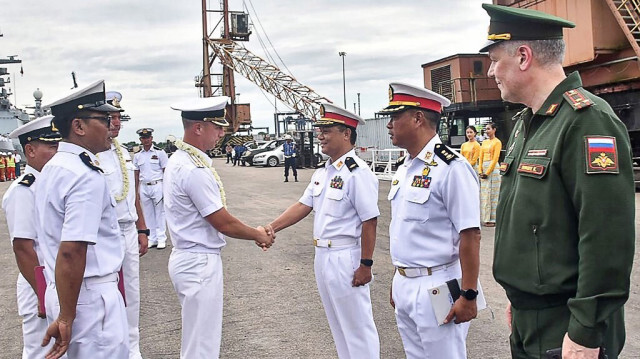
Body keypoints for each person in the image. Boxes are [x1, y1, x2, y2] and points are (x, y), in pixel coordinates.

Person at [481, 4, 635, 358]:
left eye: (494, 59)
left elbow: (607, 238)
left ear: (523, 56)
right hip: (530, 314)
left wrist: (585, 331)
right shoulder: (527, 123)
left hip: (565, 321)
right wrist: (520, 300)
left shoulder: (587, 121)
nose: (490, 72)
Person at [266, 103, 380, 359]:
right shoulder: (323, 171)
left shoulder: (357, 173)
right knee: (338, 325)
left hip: (346, 257)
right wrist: (271, 228)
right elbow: (303, 205)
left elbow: (369, 221)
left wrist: (366, 264)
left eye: (326, 130)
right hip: (322, 256)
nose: (320, 135)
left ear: (346, 134)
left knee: (357, 327)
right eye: (320, 129)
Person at [165, 96, 273, 359]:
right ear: (198, 128)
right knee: (202, 344)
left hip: (189, 258)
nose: (222, 133)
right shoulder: (193, 169)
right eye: (217, 126)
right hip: (198, 261)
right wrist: (258, 234)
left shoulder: (181, 160)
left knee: (198, 339)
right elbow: (222, 222)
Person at [382, 82, 481, 359]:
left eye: (395, 116)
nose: (389, 125)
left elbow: (470, 235)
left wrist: (469, 293)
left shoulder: (452, 168)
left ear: (418, 118)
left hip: (438, 284)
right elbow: (406, 230)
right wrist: (398, 275)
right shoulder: (405, 168)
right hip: (406, 281)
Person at [36, 79, 128, 358]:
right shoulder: (83, 175)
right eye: (103, 119)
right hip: (89, 297)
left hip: (68, 292)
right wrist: (66, 316)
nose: (111, 126)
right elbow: (72, 251)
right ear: (79, 126)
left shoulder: (55, 167)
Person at [2, 115, 61, 358]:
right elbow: (23, 248)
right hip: (39, 282)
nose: (57, 152)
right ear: (30, 150)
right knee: (42, 350)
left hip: (56, 282)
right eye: (51, 146)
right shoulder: (24, 190)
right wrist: (44, 294)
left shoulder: (50, 184)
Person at [97, 91, 149, 359]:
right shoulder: (92, 155)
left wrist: (142, 229)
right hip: (103, 234)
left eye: (118, 117)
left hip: (128, 230)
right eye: (110, 117)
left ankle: (132, 346)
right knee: (103, 293)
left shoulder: (124, 153)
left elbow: (134, 194)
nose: (116, 123)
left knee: (132, 290)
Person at [134, 128, 169, 249]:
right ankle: (152, 238)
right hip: (144, 186)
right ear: (140, 140)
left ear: (152, 138)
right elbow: (136, 174)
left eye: (148, 137)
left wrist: (166, 188)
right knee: (147, 214)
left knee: (160, 213)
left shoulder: (160, 153)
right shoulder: (138, 155)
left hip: (157, 184)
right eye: (143, 138)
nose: (146, 140)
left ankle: (161, 238)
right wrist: (136, 191)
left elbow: (166, 171)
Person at [478, 122, 501, 227]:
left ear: (494, 129)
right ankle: (485, 218)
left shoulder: (497, 142)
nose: (487, 131)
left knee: (493, 194)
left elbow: (495, 158)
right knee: (484, 194)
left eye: (488, 129)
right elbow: (480, 157)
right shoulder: (484, 142)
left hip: (493, 168)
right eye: (486, 129)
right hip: (484, 167)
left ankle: (493, 219)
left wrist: (487, 172)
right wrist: (480, 170)